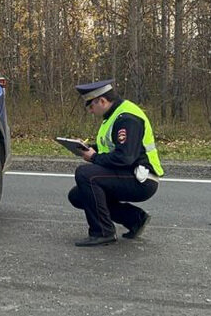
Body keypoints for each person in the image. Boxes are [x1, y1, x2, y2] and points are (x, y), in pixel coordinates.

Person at [68, 79, 164, 246]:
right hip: (129, 174)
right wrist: (87, 148)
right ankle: (135, 219)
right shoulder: (114, 116)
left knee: (85, 174)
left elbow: (125, 157)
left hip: (141, 179)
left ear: (102, 101)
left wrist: (93, 157)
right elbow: (111, 148)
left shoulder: (126, 118)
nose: (90, 111)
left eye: (90, 106)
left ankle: (103, 232)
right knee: (77, 195)